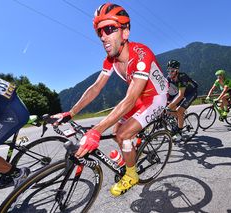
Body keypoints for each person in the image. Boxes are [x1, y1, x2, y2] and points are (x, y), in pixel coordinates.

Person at [51, 3, 168, 196]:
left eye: (109, 29)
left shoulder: (141, 54)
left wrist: (96, 131)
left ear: (125, 32)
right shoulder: (110, 60)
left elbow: (130, 99)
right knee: (115, 132)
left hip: (155, 98)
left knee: (123, 135)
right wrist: (70, 113)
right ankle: (129, 153)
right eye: (99, 32)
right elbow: (95, 88)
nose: (103, 36)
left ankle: (132, 175)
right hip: (138, 97)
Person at [166, 60, 198, 139]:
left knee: (179, 110)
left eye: (172, 70)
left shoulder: (182, 77)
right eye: (169, 70)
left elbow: (180, 95)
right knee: (172, 107)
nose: (170, 72)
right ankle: (179, 118)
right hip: (182, 92)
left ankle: (179, 130)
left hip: (191, 93)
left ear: (177, 70)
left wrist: (169, 106)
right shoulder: (169, 78)